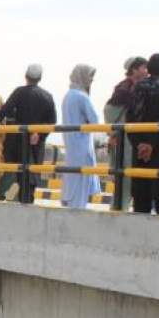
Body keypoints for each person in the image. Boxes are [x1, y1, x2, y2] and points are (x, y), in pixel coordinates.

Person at [0, 64, 56, 203]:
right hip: (35, 144)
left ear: (26, 76)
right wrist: (39, 134)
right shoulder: (47, 96)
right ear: (40, 78)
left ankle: (0, 197)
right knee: (31, 173)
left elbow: (4, 111)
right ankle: (27, 201)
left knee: (11, 170)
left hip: (16, 142)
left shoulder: (19, 92)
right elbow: (52, 122)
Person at [127, 53, 159, 215]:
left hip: (139, 150)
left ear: (148, 68)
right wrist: (151, 144)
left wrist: (139, 144)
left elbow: (130, 118)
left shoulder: (137, 87)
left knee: (140, 199)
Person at [104, 57, 148, 211]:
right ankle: (117, 214)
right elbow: (110, 111)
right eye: (143, 67)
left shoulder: (127, 87)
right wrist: (114, 132)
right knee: (125, 183)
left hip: (128, 141)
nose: (146, 71)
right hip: (125, 142)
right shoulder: (125, 90)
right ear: (134, 69)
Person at [61, 64, 101, 209]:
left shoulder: (68, 95)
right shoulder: (82, 97)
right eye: (90, 76)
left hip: (71, 146)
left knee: (72, 180)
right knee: (81, 185)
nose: (91, 80)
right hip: (82, 146)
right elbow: (95, 121)